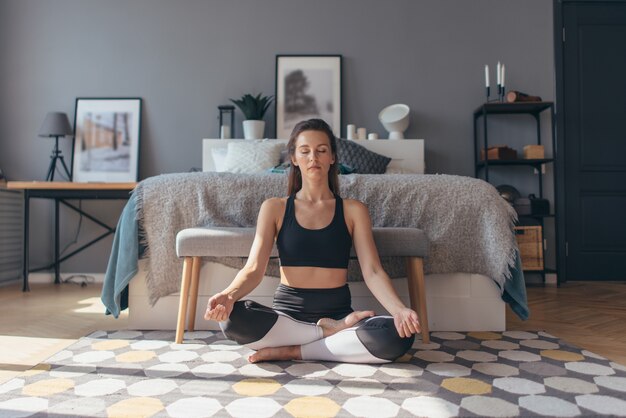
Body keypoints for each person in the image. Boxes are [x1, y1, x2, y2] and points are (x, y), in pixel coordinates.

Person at [204, 119, 421, 363]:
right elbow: (254, 269)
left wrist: (399, 310)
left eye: (321, 150)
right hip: (288, 318)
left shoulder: (353, 210)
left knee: (397, 336)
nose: (313, 158)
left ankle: (293, 350)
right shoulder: (274, 208)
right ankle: (323, 335)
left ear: (332, 158)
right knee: (231, 319)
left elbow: (372, 271)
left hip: (339, 314)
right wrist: (229, 295)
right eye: (304, 151)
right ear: (294, 158)